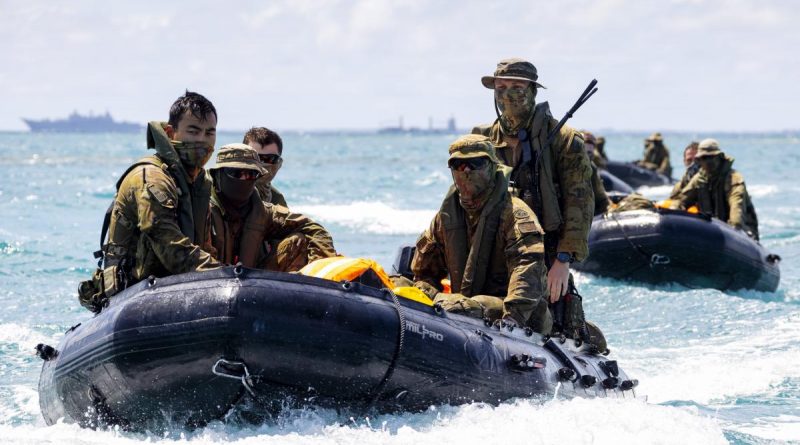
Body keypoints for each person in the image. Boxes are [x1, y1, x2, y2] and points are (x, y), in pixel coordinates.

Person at [78, 91, 222, 312]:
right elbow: (169, 246)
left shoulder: (199, 182)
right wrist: (223, 274)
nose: (202, 141)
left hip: (179, 289)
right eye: (193, 131)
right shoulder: (152, 178)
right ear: (170, 132)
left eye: (209, 133)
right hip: (134, 297)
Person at [471, 58, 594, 308]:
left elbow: (579, 202)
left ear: (532, 91)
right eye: (501, 87)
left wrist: (563, 259)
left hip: (545, 252)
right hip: (493, 248)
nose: (507, 95)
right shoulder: (482, 138)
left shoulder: (564, 140)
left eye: (517, 86)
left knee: (552, 318)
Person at [411, 134, 551, 333]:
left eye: (476, 163)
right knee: (402, 287)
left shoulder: (515, 215)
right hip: (463, 304)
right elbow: (425, 273)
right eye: (459, 164)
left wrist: (512, 322)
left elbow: (527, 272)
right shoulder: (446, 217)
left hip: (516, 311)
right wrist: (424, 294)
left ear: (493, 167)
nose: (466, 170)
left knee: (461, 307)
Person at [206, 143, 337, 271]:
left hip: (252, 282)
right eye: (236, 173)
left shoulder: (262, 211)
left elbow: (314, 228)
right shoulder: (202, 209)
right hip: (209, 281)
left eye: (251, 174)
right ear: (217, 175)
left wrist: (320, 267)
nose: (244, 179)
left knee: (298, 240)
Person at [669, 138, 759, 240]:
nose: (707, 162)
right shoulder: (699, 179)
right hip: (711, 230)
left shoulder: (733, 178)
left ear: (719, 157)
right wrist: (672, 212)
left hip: (740, 232)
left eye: (710, 157)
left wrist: (734, 228)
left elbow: (736, 206)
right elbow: (682, 200)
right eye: (703, 158)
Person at [243, 127, 287, 207]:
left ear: (279, 163)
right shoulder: (226, 190)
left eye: (270, 159)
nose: (262, 164)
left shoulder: (277, 200)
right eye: (255, 157)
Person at [582, 131, 612, 215]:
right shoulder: (568, 167)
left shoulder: (592, 168)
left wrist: (608, 206)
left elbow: (600, 195)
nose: (587, 157)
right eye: (585, 152)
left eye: (590, 153)